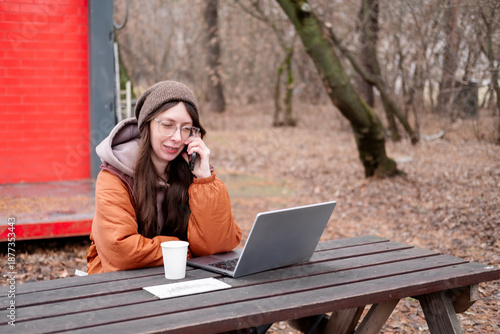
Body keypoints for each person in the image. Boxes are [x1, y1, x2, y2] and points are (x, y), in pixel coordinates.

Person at [86, 81, 242, 274]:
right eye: (167, 125)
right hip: (117, 285)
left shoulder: (193, 175)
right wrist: (182, 250)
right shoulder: (114, 176)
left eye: (186, 128)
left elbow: (218, 245)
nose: (177, 137)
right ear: (147, 125)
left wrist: (204, 179)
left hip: (179, 278)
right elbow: (121, 251)